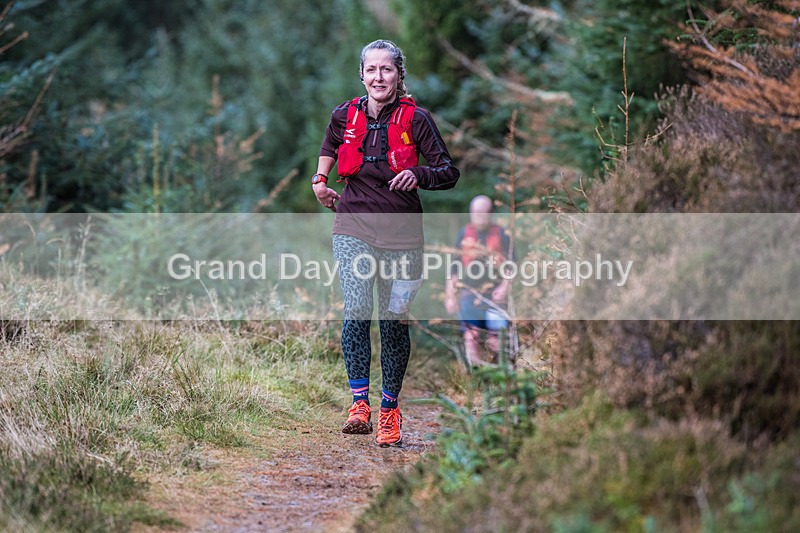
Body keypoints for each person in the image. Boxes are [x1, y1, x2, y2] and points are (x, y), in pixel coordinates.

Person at [312, 39, 459, 447]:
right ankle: (359, 404)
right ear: (362, 74)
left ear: (399, 75)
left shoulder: (418, 119)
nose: (379, 77)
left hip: (403, 235)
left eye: (387, 69)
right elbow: (330, 145)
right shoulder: (344, 114)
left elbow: (448, 172)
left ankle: (390, 410)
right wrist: (320, 181)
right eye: (371, 70)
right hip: (353, 224)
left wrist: (419, 175)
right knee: (358, 306)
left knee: (394, 320)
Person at [445, 195, 512, 367]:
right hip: (469, 294)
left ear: (491, 213)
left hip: (495, 297)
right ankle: (475, 375)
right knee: (471, 337)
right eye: (475, 212)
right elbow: (454, 268)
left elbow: (512, 266)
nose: (479, 215)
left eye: (483, 212)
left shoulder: (502, 233)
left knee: (496, 339)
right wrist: (450, 296)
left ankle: (498, 375)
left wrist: (504, 288)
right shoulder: (464, 233)